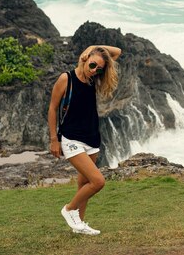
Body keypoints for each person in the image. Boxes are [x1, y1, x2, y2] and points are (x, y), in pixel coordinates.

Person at [48, 44, 121, 235]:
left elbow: (117, 52)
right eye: (93, 65)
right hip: (72, 138)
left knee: (84, 184)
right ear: (85, 58)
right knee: (98, 182)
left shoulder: (92, 80)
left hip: (92, 138)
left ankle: (79, 225)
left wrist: (93, 50)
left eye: (99, 69)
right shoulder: (67, 78)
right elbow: (52, 108)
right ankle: (69, 209)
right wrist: (54, 140)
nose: (95, 70)